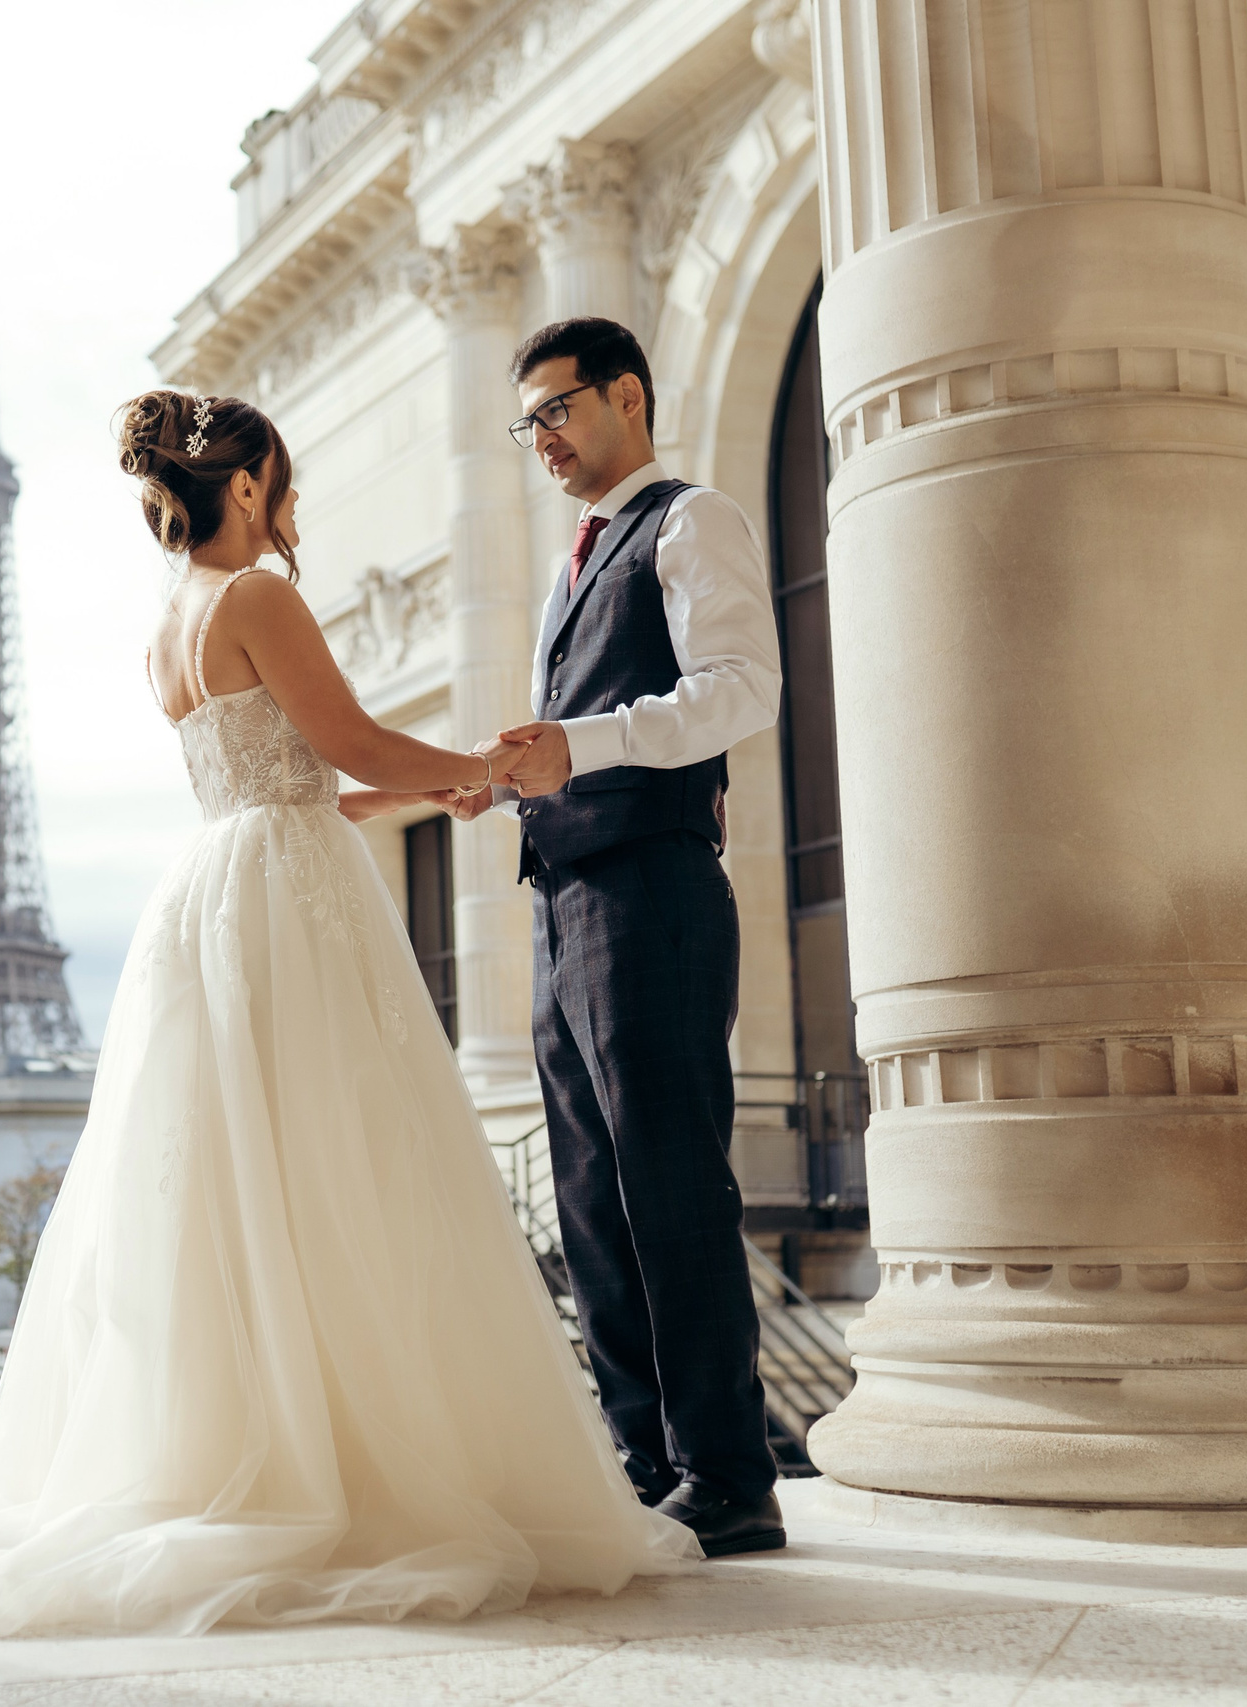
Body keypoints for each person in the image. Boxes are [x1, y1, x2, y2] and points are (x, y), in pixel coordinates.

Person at [0, 389, 696, 1637]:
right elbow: (354, 747)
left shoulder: (166, 629)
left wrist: (432, 794)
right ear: (240, 486)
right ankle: (352, 1465)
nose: (293, 502)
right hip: (289, 901)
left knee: (240, 1183)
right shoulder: (258, 598)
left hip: (218, 888)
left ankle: (246, 1452)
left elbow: (288, 786)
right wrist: (492, 768)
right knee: (345, 1163)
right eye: (282, 480)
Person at [442, 317, 785, 1556]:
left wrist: (577, 747)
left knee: (668, 1184)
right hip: (563, 897)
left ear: (626, 396)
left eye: (556, 409)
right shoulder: (568, 565)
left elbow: (741, 689)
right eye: (524, 421)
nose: (539, 437)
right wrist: (509, 779)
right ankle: (646, 1466)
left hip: (654, 894)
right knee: (591, 1197)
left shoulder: (690, 522)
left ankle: (728, 1477)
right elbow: (579, 733)